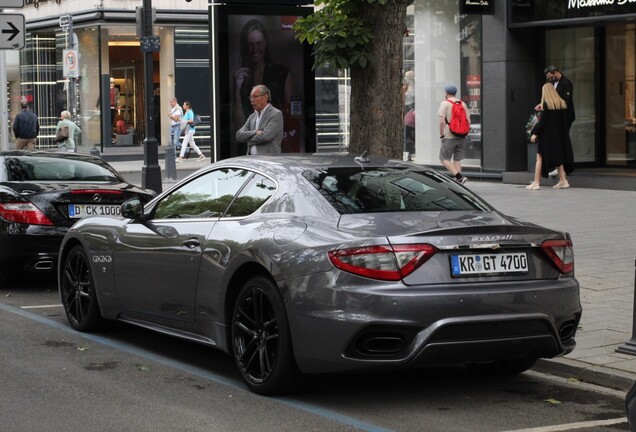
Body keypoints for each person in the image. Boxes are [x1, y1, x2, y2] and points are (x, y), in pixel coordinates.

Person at [232, 19, 292, 131]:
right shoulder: (240, 78)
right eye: (250, 45)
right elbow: (239, 127)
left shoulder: (282, 73)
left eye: (258, 43)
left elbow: (290, 116)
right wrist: (237, 91)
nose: (255, 49)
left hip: (274, 141)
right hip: (249, 144)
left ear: (265, 44)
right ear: (246, 47)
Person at [527, 83, 574, 190]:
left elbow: (543, 122)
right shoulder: (561, 104)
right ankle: (563, 181)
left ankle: (536, 182)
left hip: (547, 136)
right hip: (558, 135)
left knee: (539, 157)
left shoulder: (546, 105)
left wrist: (534, 132)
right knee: (558, 158)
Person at [236, 84, 283, 155]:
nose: (252, 100)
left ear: (265, 97)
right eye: (250, 97)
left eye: (255, 96)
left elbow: (265, 136)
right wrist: (255, 132)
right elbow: (239, 135)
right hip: (251, 161)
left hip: (268, 161)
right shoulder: (252, 116)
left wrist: (247, 139)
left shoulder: (275, 114)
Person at [437, 84, 469, 184]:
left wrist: (442, 135)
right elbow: (468, 120)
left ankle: (459, 177)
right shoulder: (462, 104)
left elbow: (442, 122)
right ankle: (459, 183)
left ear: (446, 93)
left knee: (443, 158)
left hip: (449, 135)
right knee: (457, 159)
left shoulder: (445, 103)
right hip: (462, 136)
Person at [403, 71, 416, 161]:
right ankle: (408, 154)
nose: (407, 78)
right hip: (408, 111)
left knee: (410, 135)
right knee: (408, 135)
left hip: (411, 111)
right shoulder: (405, 87)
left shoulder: (412, 87)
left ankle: (409, 154)